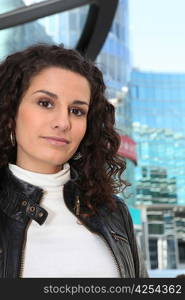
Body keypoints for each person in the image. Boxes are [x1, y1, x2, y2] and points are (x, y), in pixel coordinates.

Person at [0, 43, 148, 278]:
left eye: (77, 111)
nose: (63, 122)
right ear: (10, 112)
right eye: (45, 103)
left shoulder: (113, 212)